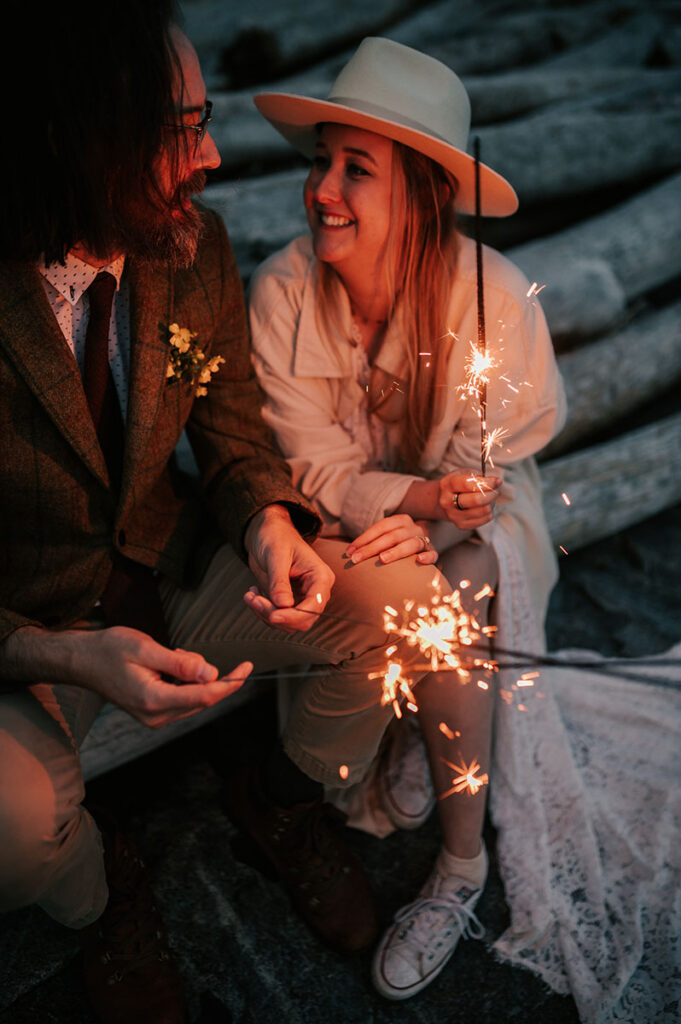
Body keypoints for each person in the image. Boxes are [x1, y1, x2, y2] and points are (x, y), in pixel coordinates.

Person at [0, 10, 444, 1023]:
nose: (207, 154)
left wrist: (269, 527)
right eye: (175, 127)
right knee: (11, 830)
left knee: (404, 594)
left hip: (179, 564)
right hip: (28, 631)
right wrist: (66, 658)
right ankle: (100, 895)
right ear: (71, 135)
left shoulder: (188, 247)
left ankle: (280, 798)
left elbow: (237, 437)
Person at [249, 36, 567, 1000]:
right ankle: (427, 730)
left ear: (424, 194)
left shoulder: (496, 305)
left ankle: (460, 864)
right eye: (320, 162)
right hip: (337, 530)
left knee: (456, 584)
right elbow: (310, 462)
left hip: (482, 522)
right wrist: (408, 508)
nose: (323, 190)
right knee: (420, 589)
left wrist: (439, 515)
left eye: (357, 169)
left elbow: (483, 473)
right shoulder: (281, 291)